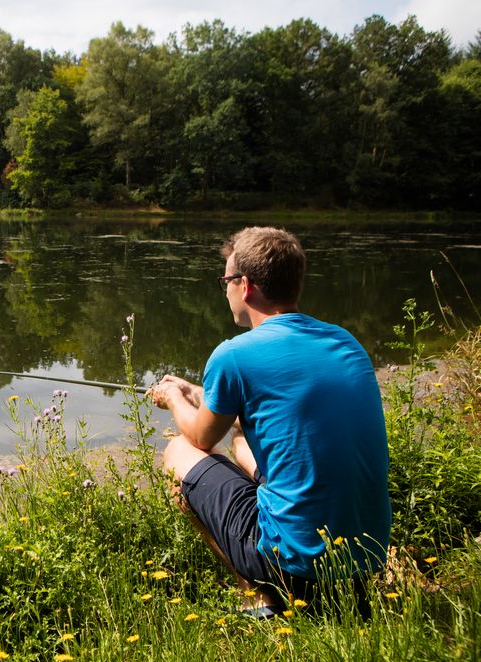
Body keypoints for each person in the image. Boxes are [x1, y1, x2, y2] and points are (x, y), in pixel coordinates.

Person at [151, 226, 391, 616]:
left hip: (296, 566)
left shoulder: (234, 355)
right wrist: (201, 393)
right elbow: (271, 412)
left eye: (225, 280)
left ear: (244, 286)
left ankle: (259, 595)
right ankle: (290, 586)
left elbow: (198, 436)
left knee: (179, 453)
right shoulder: (346, 342)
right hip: (364, 564)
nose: (225, 288)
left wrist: (174, 398)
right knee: (242, 440)